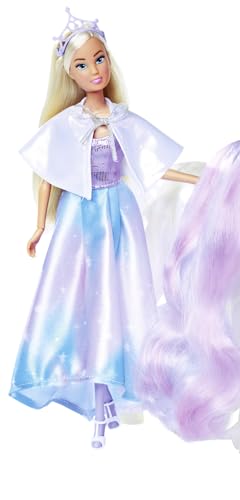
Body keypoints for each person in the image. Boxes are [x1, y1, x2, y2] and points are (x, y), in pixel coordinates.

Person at [9, 7, 198, 449]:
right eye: (82, 65)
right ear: (69, 75)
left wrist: (196, 179)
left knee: (123, 294)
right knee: (83, 299)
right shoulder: (68, 123)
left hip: (120, 213)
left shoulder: (121, 118)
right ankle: (97, 397)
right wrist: (38, 226)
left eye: (99, 59)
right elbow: (49, 176)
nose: (94, 70)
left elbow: (150, 164)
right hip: (81, 217)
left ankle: (115, 393)